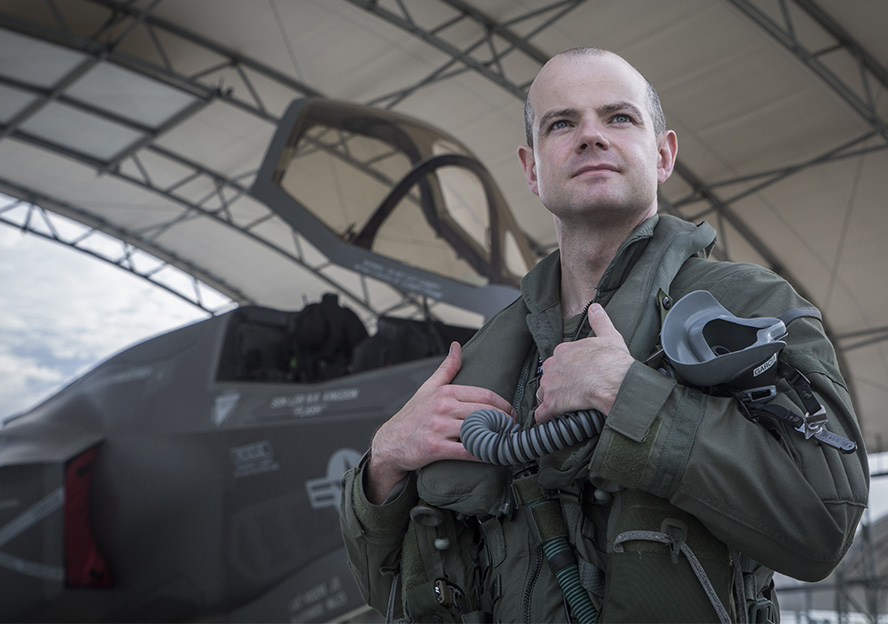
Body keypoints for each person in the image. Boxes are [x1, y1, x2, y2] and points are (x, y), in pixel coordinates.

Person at [339, 47, 869, 623]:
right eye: (562, 123)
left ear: (663, 154)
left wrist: (629, 395)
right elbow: (385, 588)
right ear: (532, 168)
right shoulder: (485, 355)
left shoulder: (747, 307)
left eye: (619, 117)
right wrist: (381, 467)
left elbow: (825, 522)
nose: (591, 136)